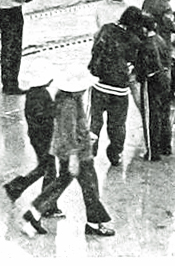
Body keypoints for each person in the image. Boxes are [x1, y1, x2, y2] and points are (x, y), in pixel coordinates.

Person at [21, 68, 115, 238]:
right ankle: (94, 222)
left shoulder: (68, 100)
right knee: (89, 186)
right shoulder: (69, 104)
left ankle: (35, 211)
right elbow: (68, 132)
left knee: (64, 181)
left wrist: (86, 135)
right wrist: (73, 156)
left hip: (73, 150)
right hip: (77, 153)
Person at [2, 64, 62, 218]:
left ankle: (16, 187)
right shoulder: (43, 96)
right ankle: (47, 205)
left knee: (44, 167)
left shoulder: (32, 94)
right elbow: (47, 117)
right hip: (45, 138)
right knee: (49, 169)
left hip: (36, 137)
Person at [89, 6, 145, 166]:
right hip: (119, 90)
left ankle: (90, 151)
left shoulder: (106, 29)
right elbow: (135, 63)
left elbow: (95, 47)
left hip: (100, 86)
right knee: (117, 125)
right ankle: (115, 153)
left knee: (95, 122)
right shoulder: (133, 40)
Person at [134, 13, 170, 160]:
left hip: (151, 82)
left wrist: (137, 76)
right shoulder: (160, 40)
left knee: (151, 116)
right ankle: (166, 146)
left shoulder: (145, 45)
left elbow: (141, 70)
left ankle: (152, 152)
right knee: (164, 114)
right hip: (164, 80)